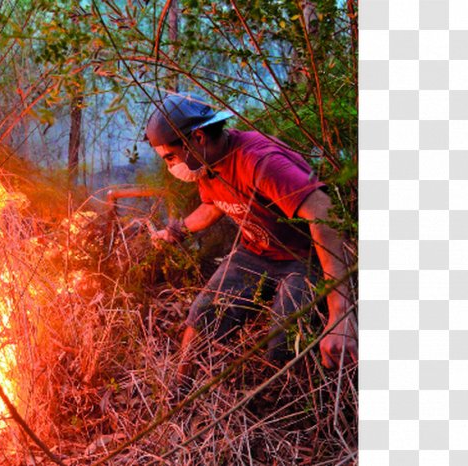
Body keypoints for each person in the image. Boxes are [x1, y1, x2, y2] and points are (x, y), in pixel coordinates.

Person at [143, 92, 357, 387]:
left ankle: (290, 404)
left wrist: (340, 315)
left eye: (170, 156)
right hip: (256, 252)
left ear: (199, 137)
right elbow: (212, 205)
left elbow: (324, 213)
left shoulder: (259, 162)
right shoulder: (204, 164)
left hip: (303, 258)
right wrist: (175, 231)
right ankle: (179, 393)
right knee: (202, 315)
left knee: (284, 341)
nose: (171, 167)